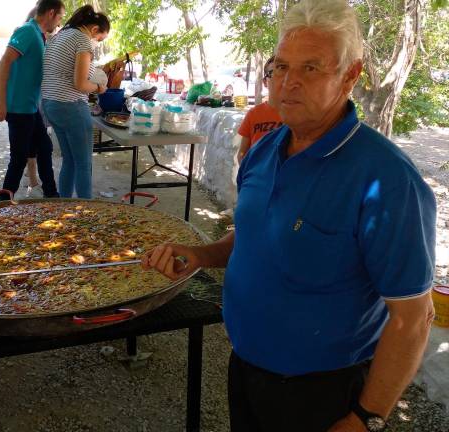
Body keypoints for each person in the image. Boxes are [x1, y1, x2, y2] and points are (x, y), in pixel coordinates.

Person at [142, 1, 436, 431]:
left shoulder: (388, 181)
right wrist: (201, 255)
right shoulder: (265, 149)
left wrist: (365, 417)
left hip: (323, 392)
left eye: (311, 68)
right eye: (280, 67)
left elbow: (414, 317)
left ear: (350, 76)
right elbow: (254, 237)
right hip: (245, 365)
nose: (288, 83)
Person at [0, 0, 64, 200]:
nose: (59, 23)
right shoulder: (26, 31)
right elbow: (5, 61)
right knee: (18, 159)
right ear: (51, 13)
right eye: (59, 17)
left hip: (31, 108)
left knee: (44, 147)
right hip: (18, 108)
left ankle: (51, 195)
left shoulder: (38, 34)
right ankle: (4, 202)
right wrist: (1, 101)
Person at [41, 5, 109, 199]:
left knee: (69, 160)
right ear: (94, 30)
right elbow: (80, 84)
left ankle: (66, 208)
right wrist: (98, 88)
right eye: (100, 39)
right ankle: (84, 214)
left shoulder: (59, 36)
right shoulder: (83, 41)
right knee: (83, 164)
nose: (97, 42)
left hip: (50, 104)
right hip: (70, 106)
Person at [236, 56, 282, 162]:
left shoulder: (298, 115)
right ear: (265, 82)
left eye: (282, 72)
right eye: (273, 73)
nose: (279, 79)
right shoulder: (253, 114)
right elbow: (242, 154)